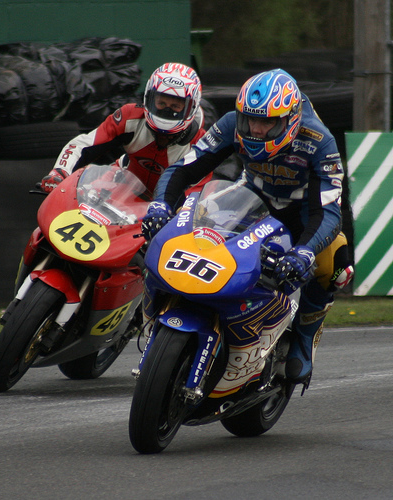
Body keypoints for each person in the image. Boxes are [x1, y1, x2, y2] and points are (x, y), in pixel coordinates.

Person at [141, 68, 354, 387]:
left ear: (290, 120)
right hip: (253, 197)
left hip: (304, 211)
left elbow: (328, 210)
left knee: (336, 265)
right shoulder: (231, 123)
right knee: (196, 221)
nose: (255, 129)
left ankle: (304, 337)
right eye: (250, 119)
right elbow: (184, 169)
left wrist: (305, 252)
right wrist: (160, 204)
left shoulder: (319, 141)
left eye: (267, 122)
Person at [40, 62, 210, 196]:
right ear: (149, 97)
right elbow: (84, 144)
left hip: (164, 208)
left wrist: (170, 211)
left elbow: (195, 197)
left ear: (191, 107)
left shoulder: (201, 146)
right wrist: (60, 172)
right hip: (120, 187)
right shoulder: (130, 117)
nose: (167, 110)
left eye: (175, 106)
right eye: (161, 103)